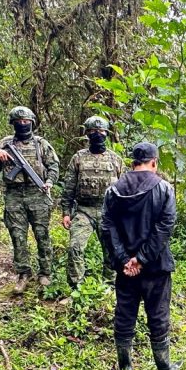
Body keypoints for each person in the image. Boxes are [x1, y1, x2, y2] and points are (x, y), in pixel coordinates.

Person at [101, 142, 181, 370]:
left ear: (133, 162)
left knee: (125, 314)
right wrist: (143, 258)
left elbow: (107, 226)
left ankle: (125, 367)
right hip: (156, 267)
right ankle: (164, 367)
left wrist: (125, 259)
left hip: (125, 269)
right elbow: (165, 227)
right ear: (154, 162)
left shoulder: (113, 190)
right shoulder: (165, 189)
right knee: (158, 315)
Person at [0, 106, 59, 294]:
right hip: (14, 195)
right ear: (12, 123)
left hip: (38, 193)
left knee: (42, 235)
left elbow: (53, 166)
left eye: (26, 121)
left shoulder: (41, 144)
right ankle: (23, 273)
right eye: (18, 121)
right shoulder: (4, 143)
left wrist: (50, 182)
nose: (22, 124)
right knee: (18, 236)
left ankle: (45, 272)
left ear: (32, 122)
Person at [60, 116, 124, 288]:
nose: (97, 134)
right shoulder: (78, 158)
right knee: (75, 247)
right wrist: (66, 212)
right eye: (93, 131)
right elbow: (69, 187)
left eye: (101, 131)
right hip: (83, 211)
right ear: (87, 134)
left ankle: (109, 286)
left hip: (108, 212)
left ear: (107, 134)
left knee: (111, 250)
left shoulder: (115, 159)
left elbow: (124, 190)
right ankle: (76, 287)